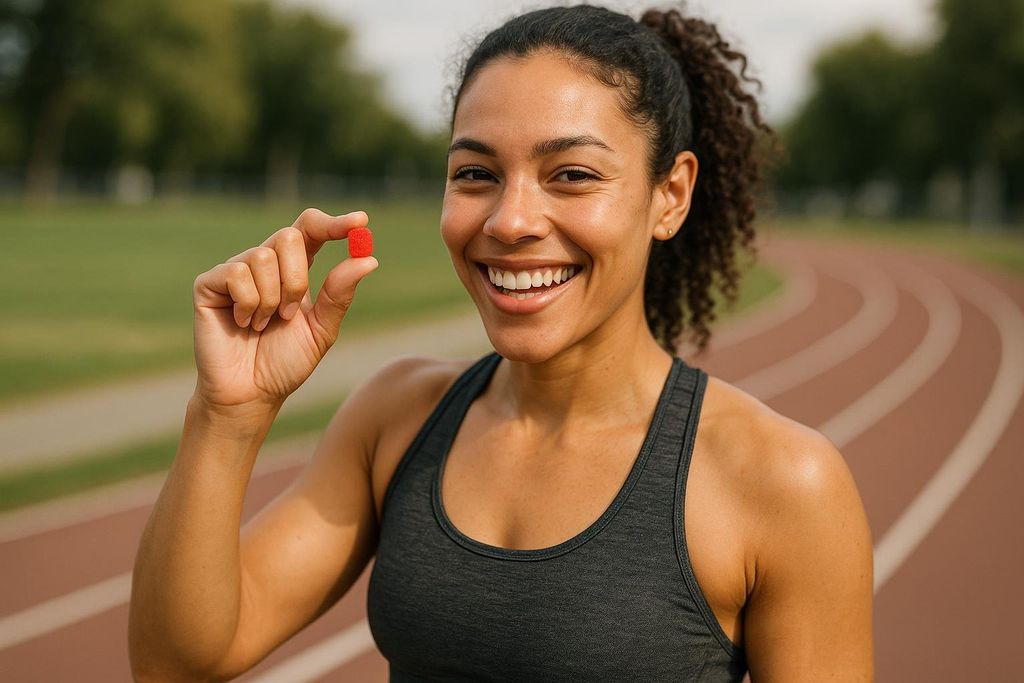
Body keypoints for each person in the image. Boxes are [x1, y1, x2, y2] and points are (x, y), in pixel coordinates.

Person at [128, 4, 873, 681]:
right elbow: (175, 660)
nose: (510, 220)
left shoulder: (782, 481)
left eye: (572, 174)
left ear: (670, 195)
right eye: (476, 172)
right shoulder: (398, 417)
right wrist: (226, 415)